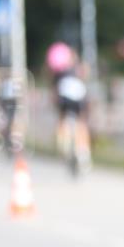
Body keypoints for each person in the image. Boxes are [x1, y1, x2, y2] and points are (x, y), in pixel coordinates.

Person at [45, 41, 91, 170]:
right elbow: (85, 77)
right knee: (81, 124)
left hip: (65, 100)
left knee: (62, 120)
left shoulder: (58, 74)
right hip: (79, 99)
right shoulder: (77, 69)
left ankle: (64, 146)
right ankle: (84, 153)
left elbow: (54, 93)